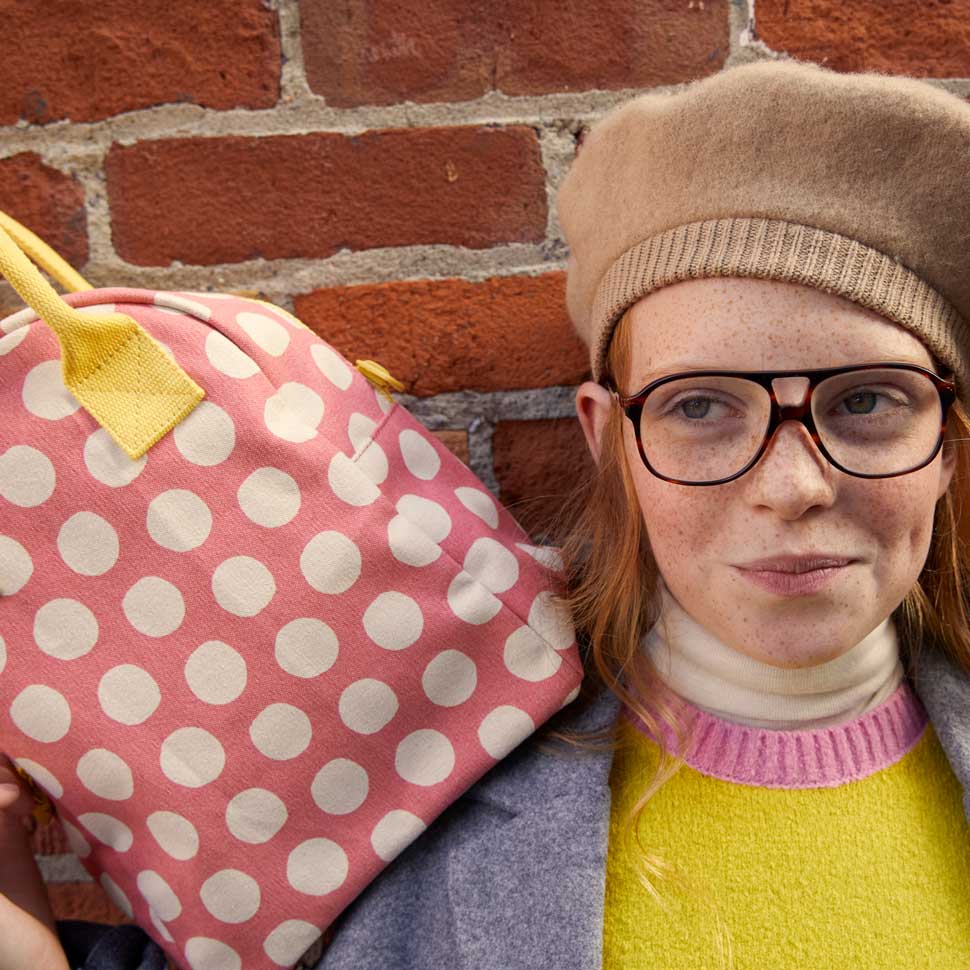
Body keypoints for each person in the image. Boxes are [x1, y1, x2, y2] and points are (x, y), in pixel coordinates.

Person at [5, 54, 970, 969]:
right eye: (701, 407)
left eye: (867, 401)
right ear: (608, 439)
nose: (794, 486)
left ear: (949, 438)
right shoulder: (388, 796)